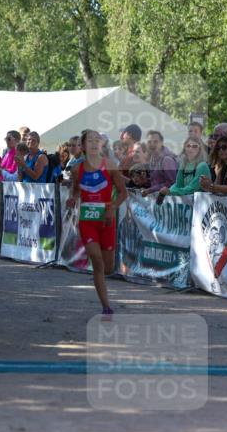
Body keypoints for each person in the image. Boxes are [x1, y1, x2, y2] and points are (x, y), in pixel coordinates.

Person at [65, 129, 127, 316]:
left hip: (107, 220)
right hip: (87, 220)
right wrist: (73, 198)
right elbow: (76, 190)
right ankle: (106, 306)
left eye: (96, 141)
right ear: (83, 146)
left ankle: (102, 284)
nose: (93, 144)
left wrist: (112, 207)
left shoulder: (110, 166)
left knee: (107, 267)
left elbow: (124, 192)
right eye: (89, 141)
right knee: (97, 261)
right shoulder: (77, 169)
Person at [141, 130, 178, 195]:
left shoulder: (167, 160)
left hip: (169, 201)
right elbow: (157, 181)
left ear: (161, 143)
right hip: (157, 200)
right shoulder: (152, 158)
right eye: (149, 142)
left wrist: (150, 190)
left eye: (155, 142)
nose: (152, 144)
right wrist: (145, 181)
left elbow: (171, 183)